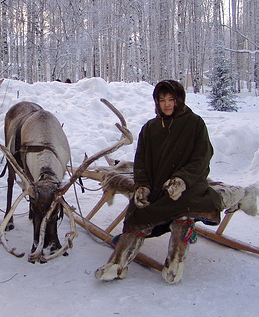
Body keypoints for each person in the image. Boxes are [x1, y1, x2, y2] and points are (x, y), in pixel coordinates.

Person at [95, 80, 223, 283]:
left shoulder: (195, 124)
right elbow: (142, 162)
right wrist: (142, 185)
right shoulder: (150, 128)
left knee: (183, 209)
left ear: (179, 100)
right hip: (157, 186)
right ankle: (117, 264)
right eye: (162, 100)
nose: (167, 104)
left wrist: (182, 180)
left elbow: (202, 158)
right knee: (138, 212)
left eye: (171, 99)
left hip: (188, 186)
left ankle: (175, 262)